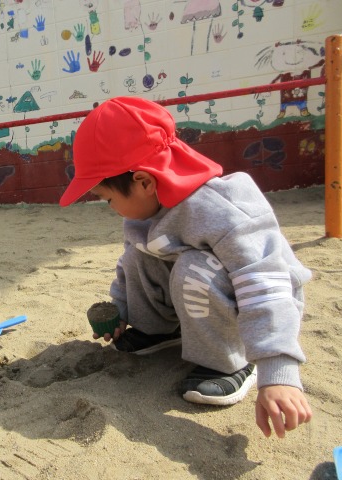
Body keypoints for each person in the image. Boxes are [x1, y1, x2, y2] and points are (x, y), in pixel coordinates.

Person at [59, 96, 313, 438]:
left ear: (144, 182)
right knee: (138, 255)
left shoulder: (223, 210)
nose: (110, 208)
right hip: (204, 290)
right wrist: (120, 309)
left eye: (108, 199)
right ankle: (159, 331)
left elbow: (264, 283)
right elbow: (129, 263)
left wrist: (278, 370)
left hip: (257, 299)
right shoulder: (144, 215)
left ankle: (228, 362)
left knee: (194, 266)